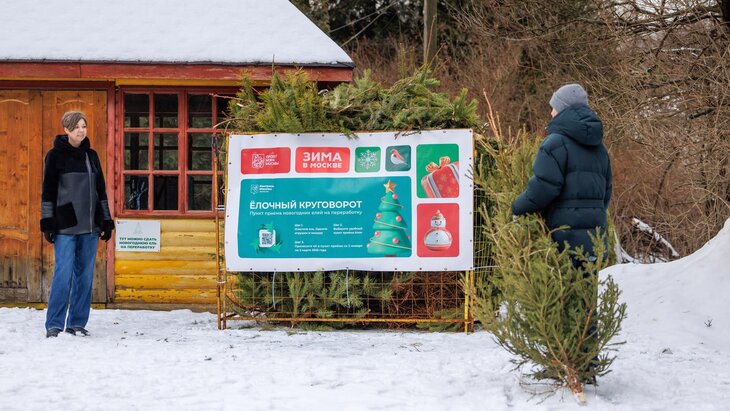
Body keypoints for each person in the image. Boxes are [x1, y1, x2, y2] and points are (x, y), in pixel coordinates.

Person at [512, 83, 612, 259]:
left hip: (563, 241)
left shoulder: (555, 143)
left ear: (564, 109)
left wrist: (517, 207)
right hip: (595, 241)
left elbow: (544, 187)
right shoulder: (600, 149)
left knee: (565, 277)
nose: (551, 112)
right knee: (588, 277)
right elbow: (606, 192)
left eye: (554, 107)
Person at [40, 111, 114, 338]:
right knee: (63, 275)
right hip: (65, 225)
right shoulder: (54, 156)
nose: (81, 130)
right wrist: (48, 222)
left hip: (90, 226)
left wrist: (106, 220)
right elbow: (48, 192)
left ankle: (77, 323)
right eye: (76, 127)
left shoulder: (91, 156)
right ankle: (54, 324)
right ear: (66, 129)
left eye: (84, 126)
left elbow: (101, 191)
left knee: (84, 277)